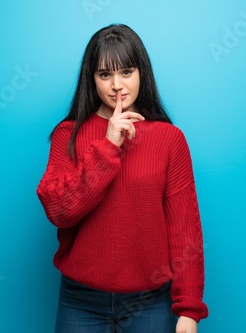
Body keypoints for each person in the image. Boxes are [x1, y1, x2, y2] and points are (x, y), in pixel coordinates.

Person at [37, 23, 208, 333]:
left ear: (142, 72)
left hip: (151, 303)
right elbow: (60, 211)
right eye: (105, 75)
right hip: (80, 300)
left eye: (126, 72)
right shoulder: (69, 135)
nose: (117, 85)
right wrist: (109, 144)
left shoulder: (169, 140)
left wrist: (189, 309)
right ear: (92, 79)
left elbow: (185, 232)